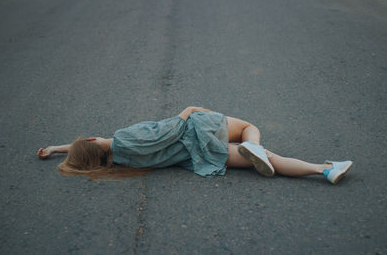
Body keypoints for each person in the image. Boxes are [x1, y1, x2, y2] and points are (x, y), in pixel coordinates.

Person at [37, 106, 353, 184]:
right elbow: (167, 130)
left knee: (272, 158)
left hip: (200, 156)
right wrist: (188, 111)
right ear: (92, 141)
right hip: (197, 131)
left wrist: (55, 149)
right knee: (249, 128)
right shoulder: (124, 137)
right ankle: (255, 147)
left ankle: (325, 171)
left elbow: (83, 150)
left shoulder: (120, 161)